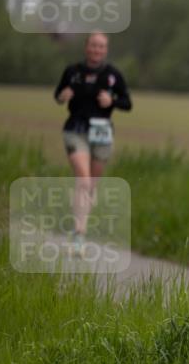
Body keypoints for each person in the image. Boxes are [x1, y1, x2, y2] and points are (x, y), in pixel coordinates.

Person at [53, 31, 132, 255]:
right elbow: (57, 95)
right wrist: (62, 96)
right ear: (86, 47)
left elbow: (127, 103)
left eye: (101, 46)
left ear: (105, 50)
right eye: (93, 45)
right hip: (75, 129)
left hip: (102, 133)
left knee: (91, 186)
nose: (96, 49)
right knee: (84, 180)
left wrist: (112, 100)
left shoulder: (113, 75)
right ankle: (79, 234)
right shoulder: (73, 71)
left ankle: (81, 223)